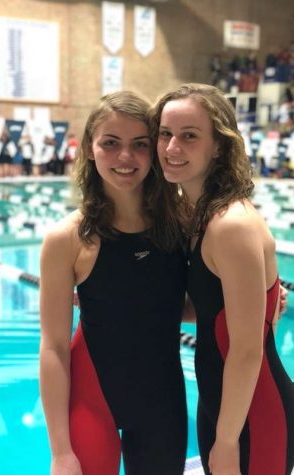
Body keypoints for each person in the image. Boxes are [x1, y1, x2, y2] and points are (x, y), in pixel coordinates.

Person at [151, 83, 294, 475]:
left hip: (254, 413)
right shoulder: (200, 214)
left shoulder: (230, 225)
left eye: (189, 136)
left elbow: (247, 350)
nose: (171, 148)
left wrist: (228, 440)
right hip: (223, 405)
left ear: (218, 146)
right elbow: (207, 311)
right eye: (165, 134)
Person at [39, 91, 188, 475]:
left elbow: (181, 307)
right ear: (90, 148)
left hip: (162, 402)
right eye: (110, 143)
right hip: (93, 399)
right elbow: (54, 348)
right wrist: (59, 452)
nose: (126, 158)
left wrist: (262, 292)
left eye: (139, 145)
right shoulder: (67, 238)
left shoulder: (179, 223)